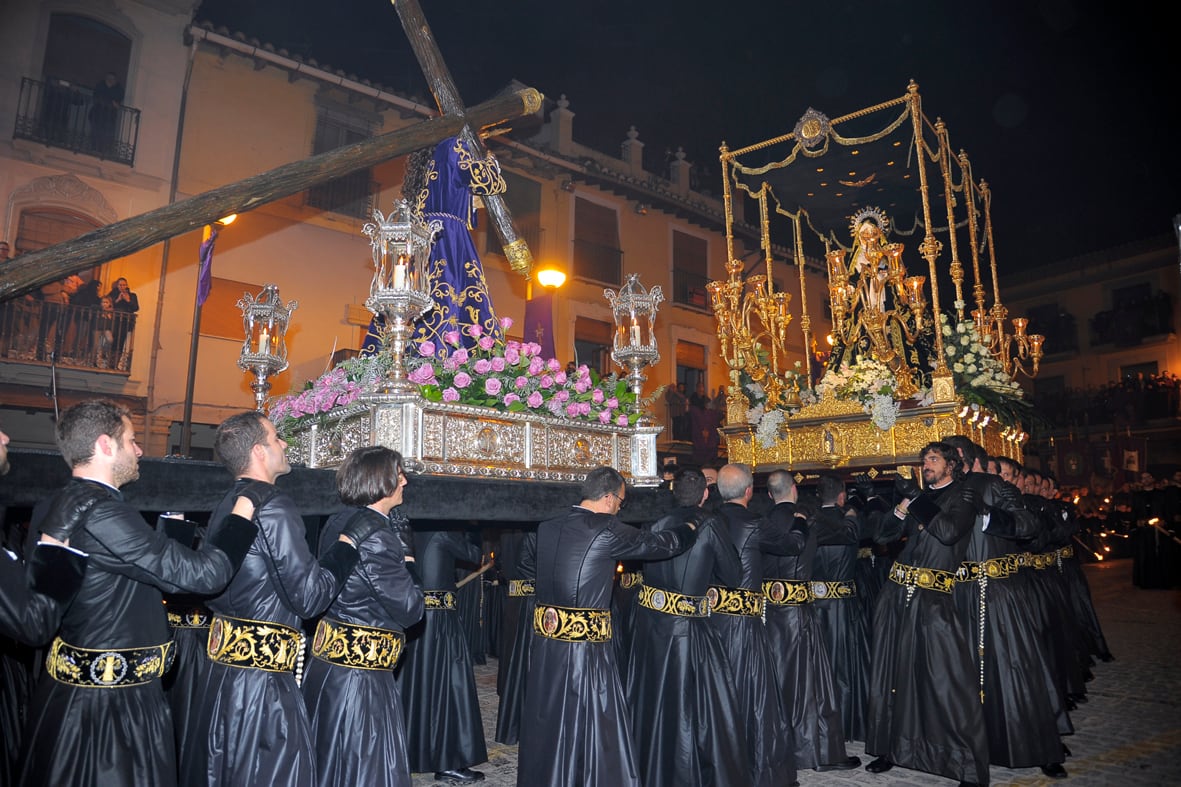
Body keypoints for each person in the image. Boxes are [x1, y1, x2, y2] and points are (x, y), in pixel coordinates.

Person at [18, 399, 258, 787]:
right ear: (105, 445)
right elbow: (204, 576)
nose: (140, 449)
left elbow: (118, 580)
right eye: (131, 440)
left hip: (83, 697)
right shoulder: (102, 512)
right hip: (109, 716)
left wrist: (171, 527)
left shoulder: (60, 502)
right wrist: (241, 516)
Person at [180, 411, 376, 787]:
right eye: (276, 438)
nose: (284, 444)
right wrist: (346, 547)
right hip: (264, 686)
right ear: (258, 451)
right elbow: (310, 597)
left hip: (223, 675)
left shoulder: (228, 503)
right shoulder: (273, 504)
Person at [516, 466, 696, 787]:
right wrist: (691, 528)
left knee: (549, 714)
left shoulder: (547, 527)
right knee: (591, 720)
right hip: (586, 650)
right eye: (621, 502)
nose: (619, 508)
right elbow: (662, 545)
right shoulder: (607, 528)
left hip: (545, 644)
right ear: (609, 497)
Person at [864, 441, 988, 787]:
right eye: (924, 460)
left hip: (933, 599)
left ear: (952, 464)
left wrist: (917, 501)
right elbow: (883, 536)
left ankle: (966, 764)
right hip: (896, 595)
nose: (926, 465)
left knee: (946, 679)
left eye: (933, 459)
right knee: (892, 675)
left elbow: (948, 532)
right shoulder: (919, 497)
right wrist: (901, 508)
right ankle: (890, 749)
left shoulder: (964, 497)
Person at [943, 435, 1068, 778]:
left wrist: (989, 517)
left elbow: (1029, 525)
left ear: (958, 456)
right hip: (956, 594)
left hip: (996, 592)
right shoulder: (944, 491)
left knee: (1016, 668)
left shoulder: (993, 485)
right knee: (959, 675)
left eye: (942, 456)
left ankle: (1039, 745)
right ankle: (968, 756)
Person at [302, 446, 424, 787]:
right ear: (381, 479)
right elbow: (411, 610)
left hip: (330, 666)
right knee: (364, 767)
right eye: (398, 473)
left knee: (330, 762)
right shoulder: (379, 537)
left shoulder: (338, 521)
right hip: (360, 679)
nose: (405, 481)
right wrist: (410, 559)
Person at [626, 467, 747, 787]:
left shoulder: (655, 523)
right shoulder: (710, 524)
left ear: (673, 492)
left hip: (652, 628)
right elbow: (734, 576)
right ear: (706, 494)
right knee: (697, 710)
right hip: (691, 631)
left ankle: (651, 768)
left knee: (655, 702)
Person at [762, 471, 858, 772]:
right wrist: (854, 514)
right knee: (808, 681)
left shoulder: (760, 521)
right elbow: (847, 536)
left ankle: (775, 748)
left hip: (765, 612)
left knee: (774, 679)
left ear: (767, 495)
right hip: (798, 612)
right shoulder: (808, 520)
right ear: (793, 489)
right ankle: (814, 752)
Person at [710, 463, 796, 787]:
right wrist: (799, 525)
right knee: (755, 695)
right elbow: (792, 547)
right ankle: (757, 767)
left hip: (712, 621)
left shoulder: (709, 520)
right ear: (749, 492)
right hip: (744, 622)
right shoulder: (755, 522)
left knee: (718, 691)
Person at [396, 525, 488, 783]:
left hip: (418, 617)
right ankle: (448, 762)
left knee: (419, 688)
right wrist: (474, 526)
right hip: (441, 622)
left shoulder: (412, 528)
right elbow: (473, 555)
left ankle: (411, 753)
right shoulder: (443, 531)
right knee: (448, 688)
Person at [808, 474, 871, 743]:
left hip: (812, 604)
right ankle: (846, 722)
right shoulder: (850, 521)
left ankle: (818, 721)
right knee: (844, 666)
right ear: (842, 496)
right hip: (843, 607)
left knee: (815, 665)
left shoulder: (808, 522)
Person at [493, 528, 536, 746]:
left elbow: (499, 559)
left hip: (513, 596)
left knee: (510, 652)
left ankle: (508, 695)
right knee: (522, 656)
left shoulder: (506, 532)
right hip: (529, 600)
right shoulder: (533, 531)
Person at [107, 277, 139, 369]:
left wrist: (128, 300)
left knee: (120, 342)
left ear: (127, 285)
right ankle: (109, 362)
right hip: (114, 321)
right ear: (117, 286)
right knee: (113, 341)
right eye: (120, 285)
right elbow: (107, 304)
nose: (122, 287)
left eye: (124, 285)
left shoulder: (132, 295)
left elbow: (136, 307)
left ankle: (114, 363)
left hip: (125, 322)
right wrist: (118, 299)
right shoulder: (113, 294)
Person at [89, 71, 124, 156]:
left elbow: (117, 101)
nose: (110, 80)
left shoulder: (118, 89)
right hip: (97, 114)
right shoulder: (100, 85)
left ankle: (102, 150)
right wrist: (111, 101)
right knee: (96, 131)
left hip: (109, 116)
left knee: (106, 133)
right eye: (108, 78)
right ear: (105, 78)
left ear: (115, 80)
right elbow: (97, 97)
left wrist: (110, 101)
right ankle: (94, 148)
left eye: (112, 79)